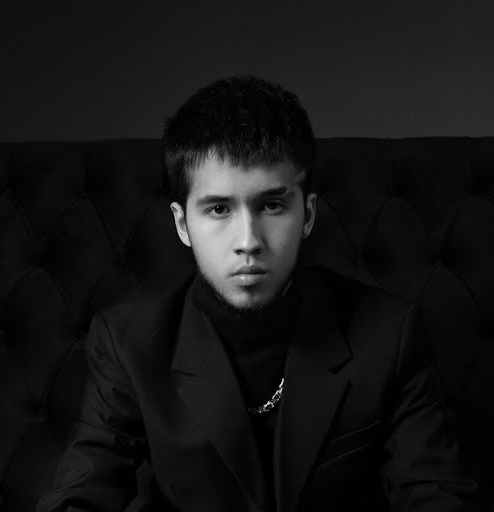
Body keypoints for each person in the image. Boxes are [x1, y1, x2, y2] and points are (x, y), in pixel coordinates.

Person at [36, 76, 485, 512]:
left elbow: (437, 494)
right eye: (218, 209)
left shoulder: (390, 334)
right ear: (182, 224)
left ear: (307, 215)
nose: (248, 241)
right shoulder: (129, 342)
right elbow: (83, 491)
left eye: (271, 205)